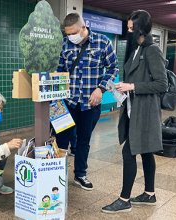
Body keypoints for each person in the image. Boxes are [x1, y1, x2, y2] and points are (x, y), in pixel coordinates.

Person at [102, 10, 168, 213]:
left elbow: (162, 84)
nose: (128, 31)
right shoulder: (137, 48)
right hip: (133, 109)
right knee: (147, 152)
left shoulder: (152, 50)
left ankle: (124, 199)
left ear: (140, 29)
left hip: (145, 113)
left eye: (131, 28)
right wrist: (122, 87)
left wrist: (132, 87)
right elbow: (136, 77)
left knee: (128, 151)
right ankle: (149, 194)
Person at [56, 13, 118, 190]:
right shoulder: (65, 44)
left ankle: (80, 174)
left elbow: (113, 67)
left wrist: (101, 89)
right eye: (67, 34)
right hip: (67, 102)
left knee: (83, 141)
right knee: (61, 141)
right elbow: (60, 71)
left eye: (73, 33)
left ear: (84, 27)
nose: (71, 37)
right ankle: (57, 174)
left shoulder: (102, 41)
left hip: (90, 104)